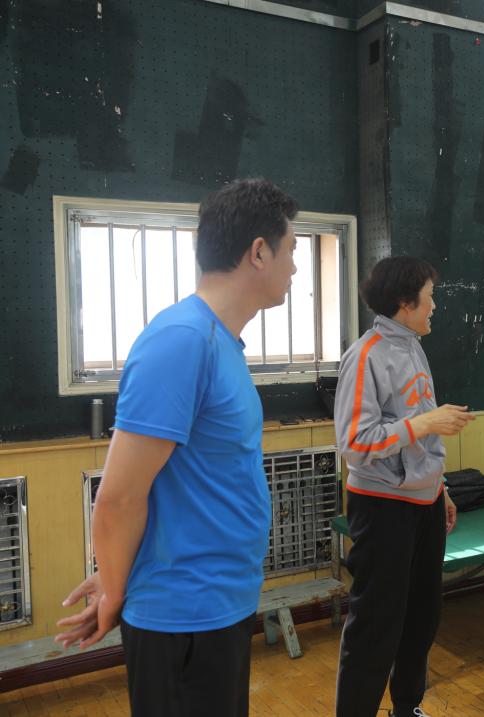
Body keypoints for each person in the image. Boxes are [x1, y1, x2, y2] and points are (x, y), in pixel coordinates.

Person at [54, 178, 300, 716]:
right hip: (182, 617)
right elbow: (119, 497)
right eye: (292, 250)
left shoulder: (220, 342)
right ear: (259, 252)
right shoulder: (182, 340)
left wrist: (123, 572)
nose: (296, 268)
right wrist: (117, 589)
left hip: (218, 606)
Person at [334, 256, 474, 717]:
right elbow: (355, 443)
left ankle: (406, 707)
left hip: (425, 502)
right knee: (376, 623)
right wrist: (425, 424)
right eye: (429, 297)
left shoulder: (414, 346)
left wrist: (441, 487)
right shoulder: (366, 355)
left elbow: (421, 428)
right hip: (382, 507)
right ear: (404, 302)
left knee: (422, 616)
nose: (434, 306)